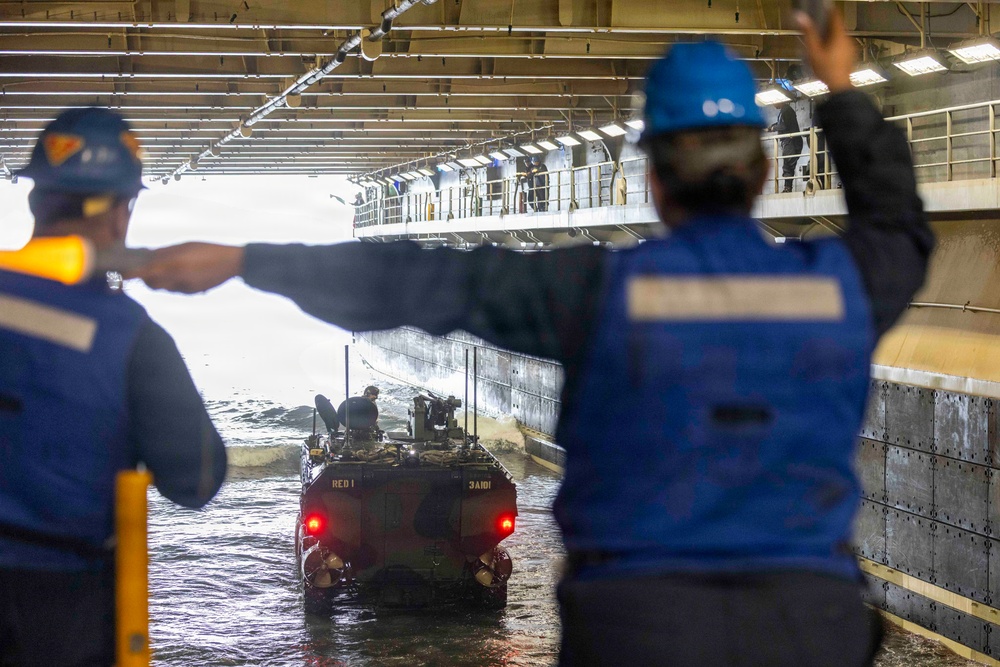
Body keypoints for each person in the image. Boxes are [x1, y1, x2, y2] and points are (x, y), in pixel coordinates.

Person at [129, 12, 932, 666]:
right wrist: (840, 88)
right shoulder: (842, 286)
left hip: (637, 627)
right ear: (763, 171)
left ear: (651, 177)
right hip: (806, 626)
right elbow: (901, 226)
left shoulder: (596, 290)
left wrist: (245, 259)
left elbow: (415, 282)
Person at [0, 107, 227, 667]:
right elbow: (196, 480)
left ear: (34, 200)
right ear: (123, 213)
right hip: (61, 611)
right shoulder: (132, 337)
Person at [769, 100, 804, 193]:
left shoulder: (787, 110)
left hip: (791, 140)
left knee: (788, 164)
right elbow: (782, 123)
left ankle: (787, 187)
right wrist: (772, 126)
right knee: (788, 164)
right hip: (789, 141)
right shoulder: (784, 110)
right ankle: (787, 187)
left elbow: (784, 126)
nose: (773, 104)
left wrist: (773, 128)